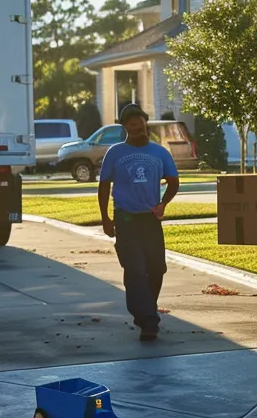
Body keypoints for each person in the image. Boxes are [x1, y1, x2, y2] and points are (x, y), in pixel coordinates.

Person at [98, 104, 180, 341]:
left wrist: (163, 203)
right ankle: (148, 321)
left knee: (156, 269)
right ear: (125, 127)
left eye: (139, 122)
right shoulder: (115, 152)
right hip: (126, 218)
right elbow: (104, 186)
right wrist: (105, 217)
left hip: (150, 219)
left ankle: (146, 309)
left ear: (145, 122)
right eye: (130, 123)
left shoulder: (160, 152)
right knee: (135, 269)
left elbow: (173, 181)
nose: (135, 127)